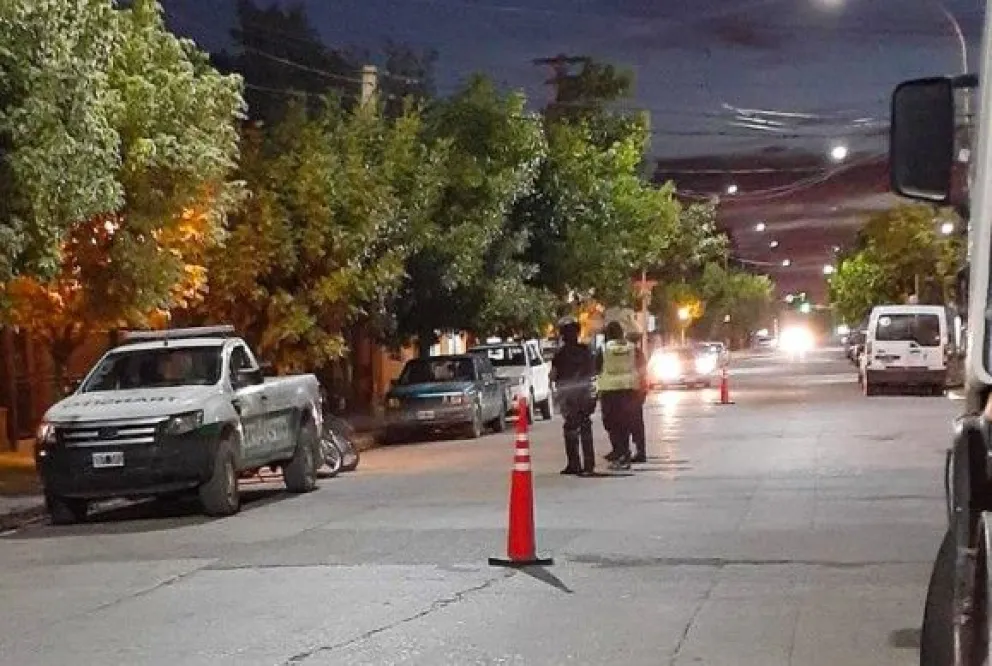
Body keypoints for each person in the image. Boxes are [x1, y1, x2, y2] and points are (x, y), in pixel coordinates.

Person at [550, 316, 597, 476]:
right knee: (585, 427)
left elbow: (553, 375)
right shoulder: (586, 351)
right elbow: (594, 371)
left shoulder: (560, 354)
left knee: (570, 428)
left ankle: (574, 463)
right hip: (585, 393)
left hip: (568, 395)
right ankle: (589, 465)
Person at [596, 321, 644, 471]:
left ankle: (621, 453)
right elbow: (642, 366)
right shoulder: (632, 348)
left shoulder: (603, 349)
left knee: (613, 424)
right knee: (628, 422)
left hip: (610, 392)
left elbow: (596, 368)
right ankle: (626, 453)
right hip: (630, 390)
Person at [605, 330, 648, 464]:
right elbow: (643, 370)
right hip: (632, 391)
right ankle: (637, 451)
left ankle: (623, 451)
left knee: (620, 423)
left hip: (617, 392)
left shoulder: (608, 351)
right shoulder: (635, 352)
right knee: (634, 423)